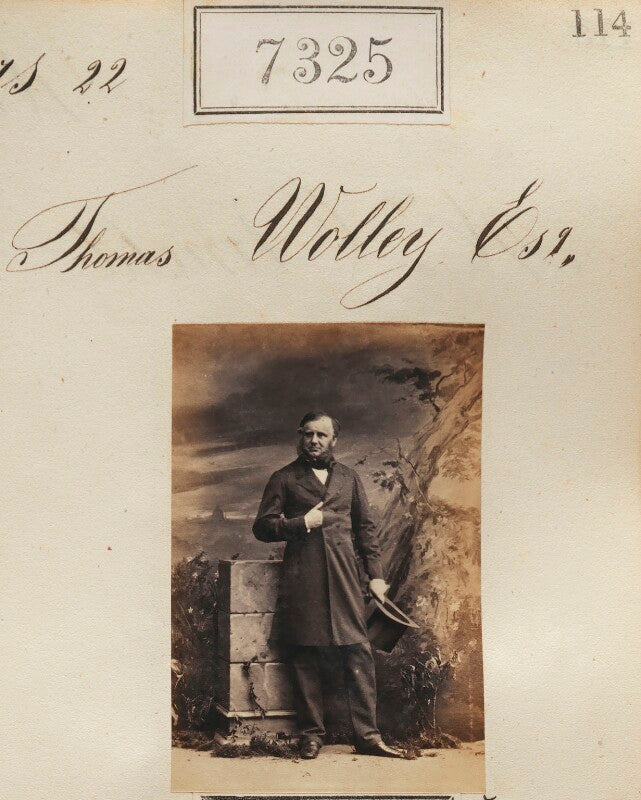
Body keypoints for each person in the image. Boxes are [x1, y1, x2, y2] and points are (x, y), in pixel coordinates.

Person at [253, 411, 403, 759]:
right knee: (305, 654)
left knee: (358, 651)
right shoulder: (284, 478)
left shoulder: (349, 478)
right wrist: (301, 522)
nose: (314, 441)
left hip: (345, 576)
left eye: (322, 435)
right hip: (302, 577)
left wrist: (376, 576)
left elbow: (365, 530)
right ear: (300, 436)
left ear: (334, 439)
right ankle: (311, 735)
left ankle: (368, 736)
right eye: (308, 434)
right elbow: (262, 527)